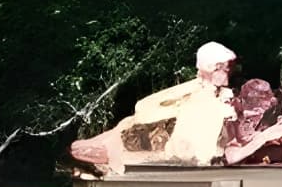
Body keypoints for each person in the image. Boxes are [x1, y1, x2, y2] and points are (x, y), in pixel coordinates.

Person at [71, 42, 237, 174]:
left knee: (86, 147)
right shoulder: (197, 93)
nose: (229, 72)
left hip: (159, 143)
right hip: (141, 134)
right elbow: (144, 109)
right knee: (81, 148)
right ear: (213, 68)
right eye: (225, 68)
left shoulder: (216, 98)